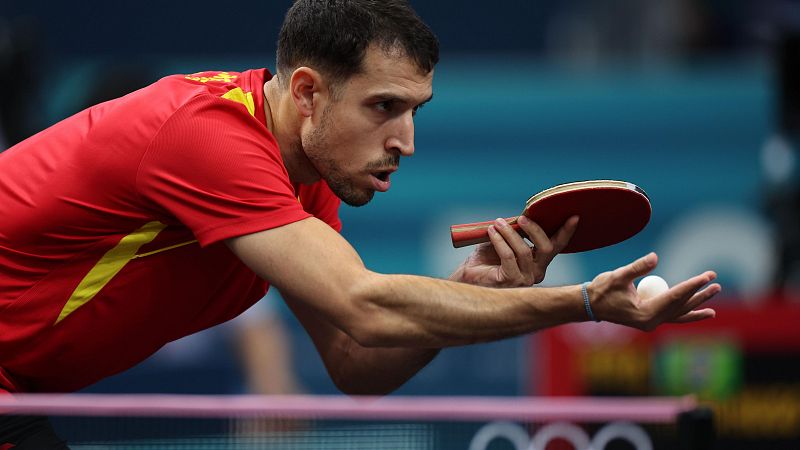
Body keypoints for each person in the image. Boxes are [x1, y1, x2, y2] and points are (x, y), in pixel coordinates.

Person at [0, 0, 720, 447]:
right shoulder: (205, 136)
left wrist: (480, 292)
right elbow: (364, 306)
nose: (406, 141)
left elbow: (355, 363)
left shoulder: (307, 184)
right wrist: (584, 303)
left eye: (415, 111)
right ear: (308, 92)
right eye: (384, 108)